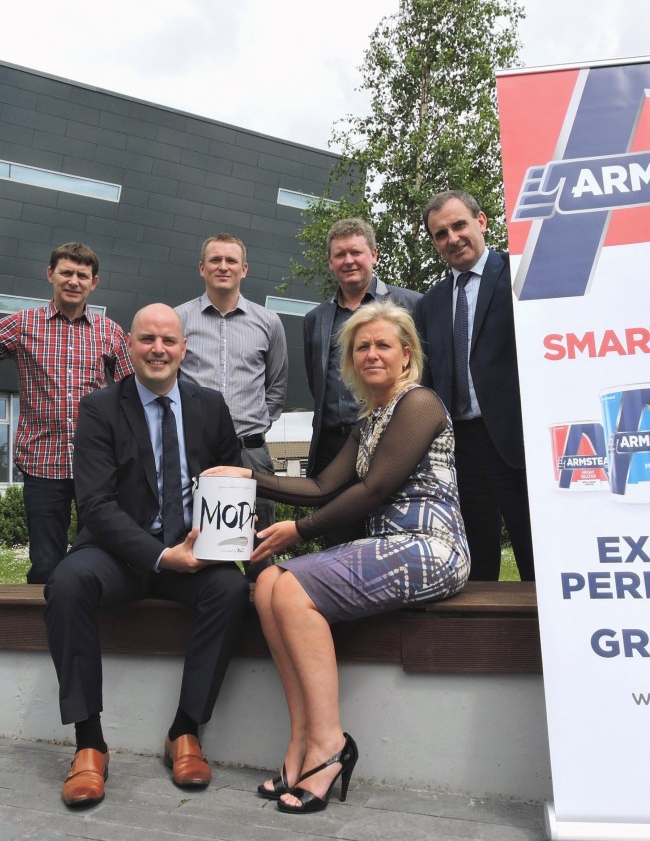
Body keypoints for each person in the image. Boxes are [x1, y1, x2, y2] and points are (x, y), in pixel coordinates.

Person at [203, 301, 469, 814]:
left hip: (432, 548)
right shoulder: (368, 420)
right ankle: (301, 741)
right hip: (387, 548)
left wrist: (297, 531)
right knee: (267, 586)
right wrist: (248, 475)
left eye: (382, 345)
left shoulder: (419, 404)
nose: (371, 353)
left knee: (293, 586)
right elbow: (323, 484)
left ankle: (329, 744)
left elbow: (374, 489)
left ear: (406, 354)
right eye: (361, 346)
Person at [43, 303, 249, 807]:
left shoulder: (211, 406)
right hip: (119, 556)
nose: (158, 349)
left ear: (184, 348)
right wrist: (161, 556)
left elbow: (233, 478)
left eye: (168, 341)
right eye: (147, 340)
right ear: (129, 346)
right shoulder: (98, 408)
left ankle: (185, 731)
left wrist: (236, 528)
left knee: (231, 589)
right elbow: (95, 504)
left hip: (194, 555)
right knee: (66, 583)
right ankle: (89, 744)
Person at [0, 242, 132, 584]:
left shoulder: (109, 332)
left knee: (96, 555)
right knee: (45, 562)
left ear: (94, 282)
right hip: (41, 460)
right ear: (50, 274)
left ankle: (88, 620)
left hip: (95, 463)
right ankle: (40, 631)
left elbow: (132, 393)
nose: (73, 281)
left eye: (82, 275)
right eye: (66, 272)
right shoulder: (22, 326)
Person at [413, 190, 534, 582]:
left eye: (459, 225)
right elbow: (427, 379)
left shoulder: (519, 274)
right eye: (440, 233)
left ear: (481, 222)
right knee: (475, 560)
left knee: (534, 552)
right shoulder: (430, 302)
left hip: (516, 443)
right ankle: (482, 641)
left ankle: (543, 641)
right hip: (459, 448)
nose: (452, 238)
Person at [175, 233, 288, 540]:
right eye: (215, 260)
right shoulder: (178, 319)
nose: (223, 267)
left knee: (259, 541)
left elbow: (276, 386)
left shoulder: (269, 322)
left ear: (244, 269)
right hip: (194, 449)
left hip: (250, 451)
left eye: (231, 260)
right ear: (202, 268)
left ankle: (261, 586)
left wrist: (257, 424)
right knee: (194, 536)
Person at [304, 218, 421, 480]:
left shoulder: (412, 305)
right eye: (340, 254)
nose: (348, 261)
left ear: (374, 255)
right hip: (331, 445)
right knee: (334, 520)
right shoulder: (315, 319)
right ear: (330, 263)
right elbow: (317, 382)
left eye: (356, 252)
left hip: (391, 439)